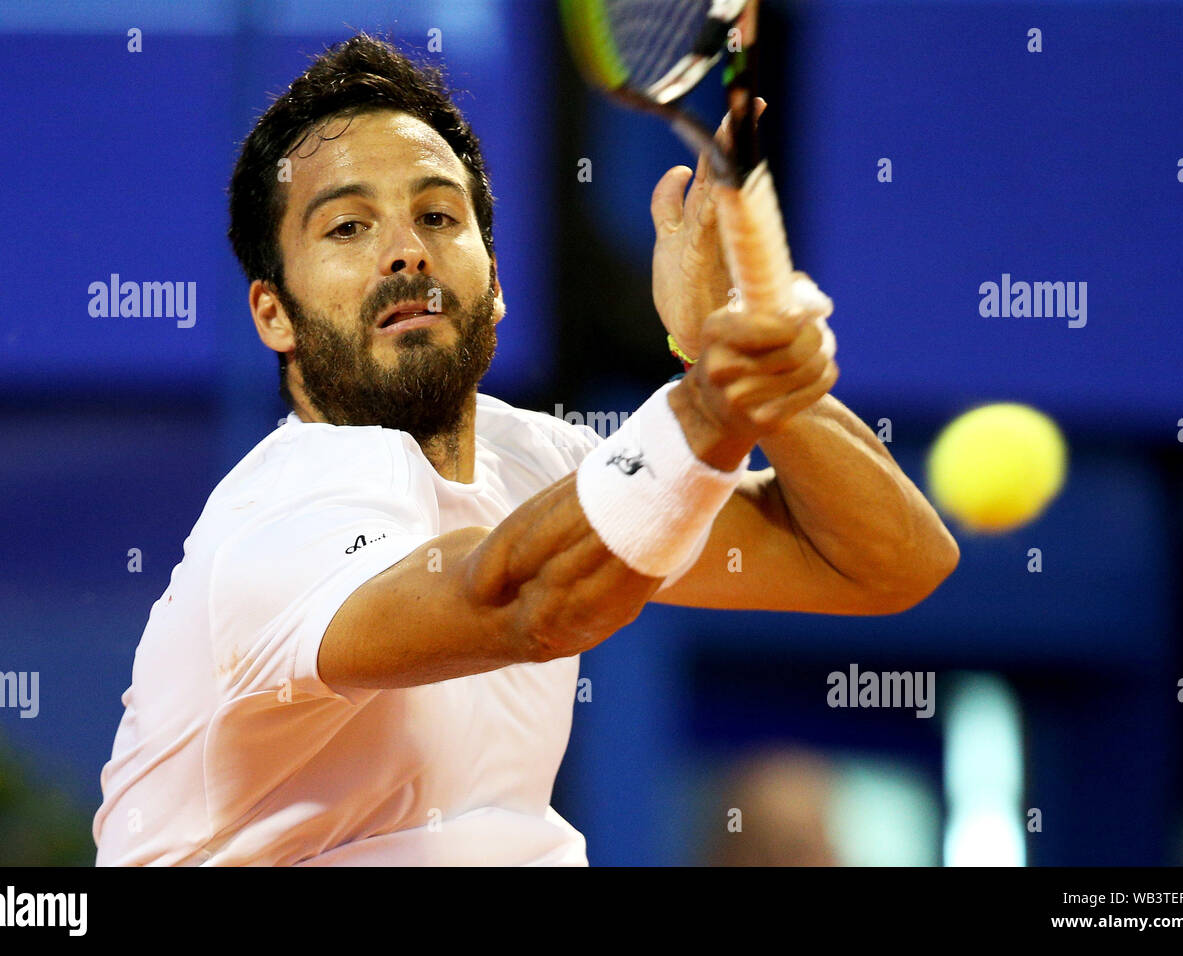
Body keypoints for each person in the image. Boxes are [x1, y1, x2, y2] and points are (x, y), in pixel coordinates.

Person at [92, 33, 958, 866]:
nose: (405, 251)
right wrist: (712, 403)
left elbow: (887, 563)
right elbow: (520, 602)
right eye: (347, 228)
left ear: (497, 284)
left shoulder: (537, 461)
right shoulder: (280, 520)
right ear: (272, 313)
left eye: (438, 214)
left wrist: (732, 348)